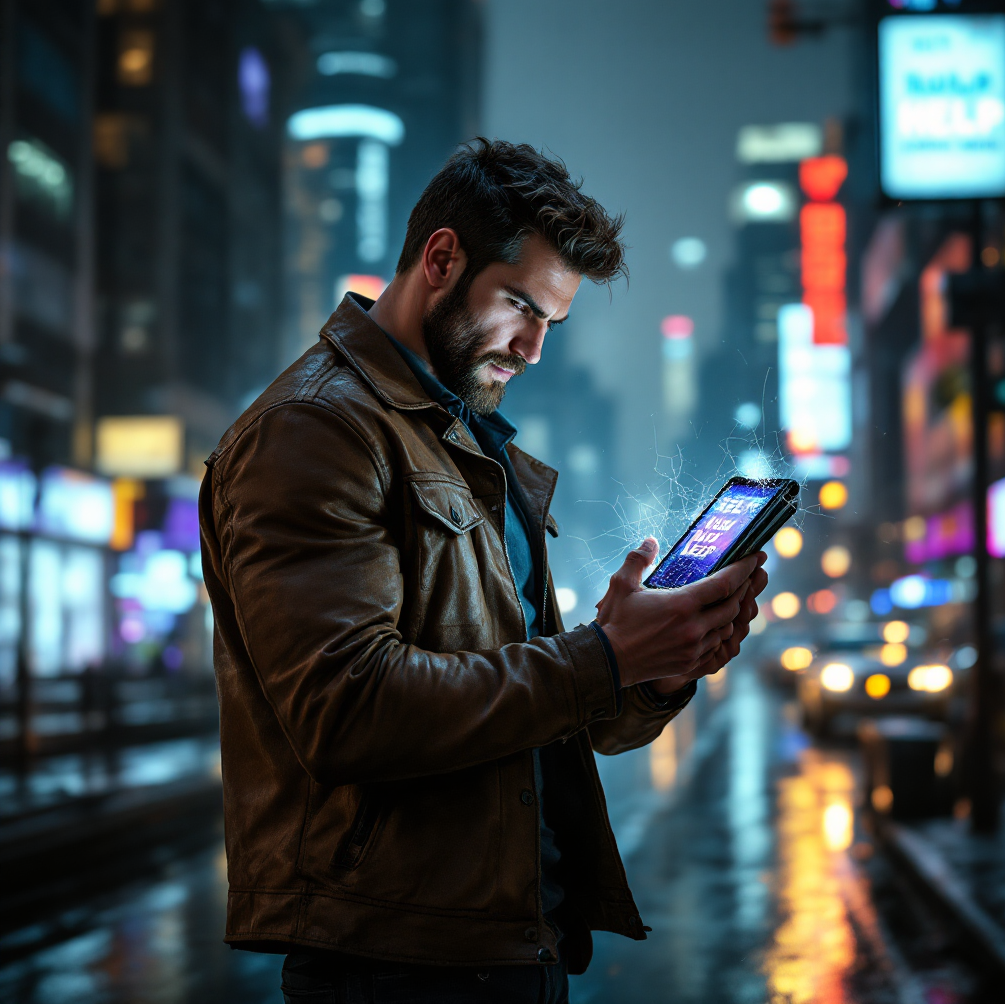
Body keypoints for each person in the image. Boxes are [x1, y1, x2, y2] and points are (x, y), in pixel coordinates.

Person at [199, 139, 768, 1004]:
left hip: (509, 942)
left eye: (552, 323)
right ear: (441, 258)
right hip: (393, 961)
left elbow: (533, 714)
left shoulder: (464, 445)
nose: (534, 348)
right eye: (520, 307)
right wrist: (602, 658)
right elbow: (345, 711)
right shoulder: (315, 431)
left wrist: (653, 665)